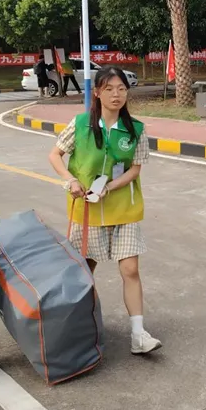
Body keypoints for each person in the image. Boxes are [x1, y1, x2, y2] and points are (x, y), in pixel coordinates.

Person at [48, 66, 162, 355]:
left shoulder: (136, 129)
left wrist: (110, 187)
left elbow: (135, 169)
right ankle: (81, 329)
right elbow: (55, 155)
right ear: (97, 92)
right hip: (87, 211)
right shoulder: (80, 124)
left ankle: (138, 334)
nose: (116, 94)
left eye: (121, 89)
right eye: (109, 89)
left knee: (131, 269)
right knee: (84, 272)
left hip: (123, 208)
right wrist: (70, 180)